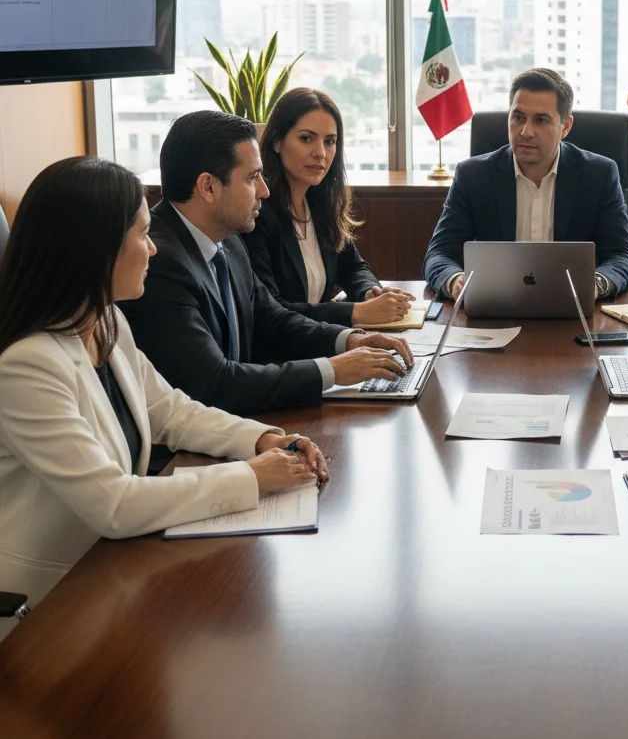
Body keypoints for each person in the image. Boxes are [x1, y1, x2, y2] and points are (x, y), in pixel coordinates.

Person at [0, 157, 330, 637]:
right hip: (51, 606)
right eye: (142, 234)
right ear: (94, 250)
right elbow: (114, 503)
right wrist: (251, 477)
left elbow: (169, 410)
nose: (153, 249)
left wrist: (261, 439)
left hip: (112, 573)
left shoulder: (105, 322)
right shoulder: (28, 367)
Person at [119, 111, 413, 419]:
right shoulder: (158, 263)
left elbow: (269, 317)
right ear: (208, 187)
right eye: (251, 178)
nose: (264, 190)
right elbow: (214, 385)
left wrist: (350, 340)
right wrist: (332, 370)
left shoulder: (228, 240)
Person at [422, 67, 628, 300]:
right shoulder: (473, 175)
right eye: (518, 117)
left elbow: (623, 255)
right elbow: (439, 254)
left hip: (572, 311)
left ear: (565, 127)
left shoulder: (598, 174)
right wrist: (455, 280)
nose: (526, 131)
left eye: (541, 120)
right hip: (493, 308)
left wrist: (594, 285)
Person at [243, 87, 415, 327]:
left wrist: (370, 292)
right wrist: (357, 313)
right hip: (282, 356)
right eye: (306, 138)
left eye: (330, 141)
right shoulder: (256, 214)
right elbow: (272, 311)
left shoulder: (319, 203)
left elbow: (353, 266)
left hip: (320, 345)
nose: (321, 153)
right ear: (277, 143)